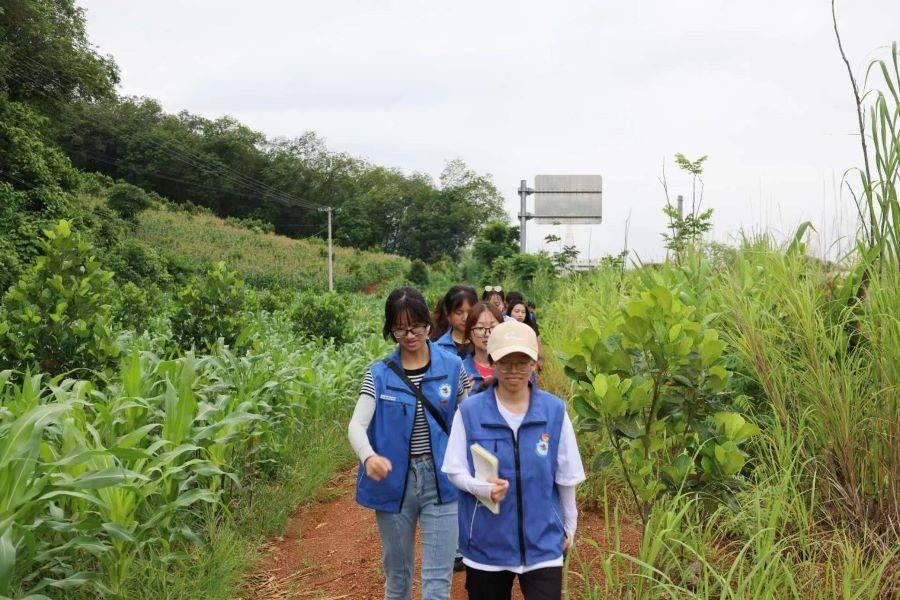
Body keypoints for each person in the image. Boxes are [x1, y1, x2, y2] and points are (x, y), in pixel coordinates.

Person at [442, 321, 585, 600]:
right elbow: (454, 469)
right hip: (487, 544)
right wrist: (482, 488)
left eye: (522, 362)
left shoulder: (553, 411)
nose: (514, 371)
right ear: (493, 361)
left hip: (543, 541)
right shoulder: (470, 412)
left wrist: (570, 525)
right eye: (506, 362)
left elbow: (566, 474)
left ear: (534, 363)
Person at [349, 287, 469, 599]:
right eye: (400, 328)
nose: (409, 334)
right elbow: (356, 425)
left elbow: (469, 420)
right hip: (394, 482)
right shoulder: (378, 374)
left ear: (428, 323)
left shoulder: (453, 368)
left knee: (436, 584)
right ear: (391, 329)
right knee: (398, 579)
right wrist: (368, 456)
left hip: (441, 479)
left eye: (415, 326)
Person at [461, 302, 504, 394]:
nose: (487, 334)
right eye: (480, 328)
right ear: (469, 334)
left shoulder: (513, 369)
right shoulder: (460, 370)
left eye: (493, 327)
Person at [432, 285, 478, 357]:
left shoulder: (485, 343)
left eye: (470, 312)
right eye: (459, 313)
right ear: (448, 314)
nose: (465, 318)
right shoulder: (438, 348)